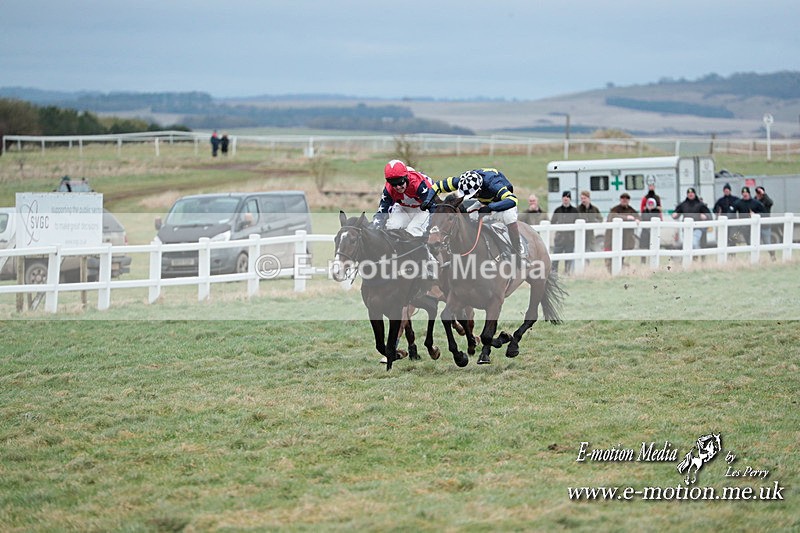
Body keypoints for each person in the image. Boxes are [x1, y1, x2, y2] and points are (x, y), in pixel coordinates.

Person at [433, 167, 524, 264]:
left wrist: (491, 207)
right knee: (466, 216)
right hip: (485, 203)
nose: (471, 196)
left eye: (473, 194)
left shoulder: (494, 185)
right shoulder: (462, 181)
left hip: (504, 203)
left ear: (479, 189)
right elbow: (436, 186)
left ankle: (518, 251)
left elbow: (513, 200)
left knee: (509, 218)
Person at [374, 159, 436, 238]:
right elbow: (382, 211)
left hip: (423, 209)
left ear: (406, 177)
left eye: (400, 182)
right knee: (392, 227)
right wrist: (375, 228)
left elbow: (433, 209)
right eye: (394, 184)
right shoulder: (388, 189)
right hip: (403, 207)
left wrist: (430, 229)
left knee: (413, 230)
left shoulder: (418, 184)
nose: (398, 187)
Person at [604, 192, 640, 271]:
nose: (624, 200)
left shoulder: (631, 210)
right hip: (613, 238)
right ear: (620, 200)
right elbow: (611, 217)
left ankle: (621, 270)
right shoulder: (615, 209)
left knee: (622, 256)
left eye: (626, 199)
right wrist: (626, 217)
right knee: (611, 257)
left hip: (626, 238)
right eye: (623, 199)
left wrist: (637, 219)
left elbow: (638, 217)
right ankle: (611, 271)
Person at [550, 191, 578, 274]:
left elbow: (577, 222)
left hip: (570, 238)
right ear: (562, 198)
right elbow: (552, 222)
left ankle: (567, 272)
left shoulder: (574, 211)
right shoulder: (558, 210)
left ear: (570, 199)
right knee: (555, 257)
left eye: (568, 197)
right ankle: (554, 273)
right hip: (559, 238)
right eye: (564, 197)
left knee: (569, 258)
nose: (566, 198)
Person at [639, 197, 662, 262]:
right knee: (643, 247)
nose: (650, 206)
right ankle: (643, 261)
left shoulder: (657, 211)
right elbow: (643, 218)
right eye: (649, 204)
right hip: (645, 231)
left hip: (653, 232)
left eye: (652, 204)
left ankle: (653, 262)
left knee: (653, 247)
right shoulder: (644, 211)